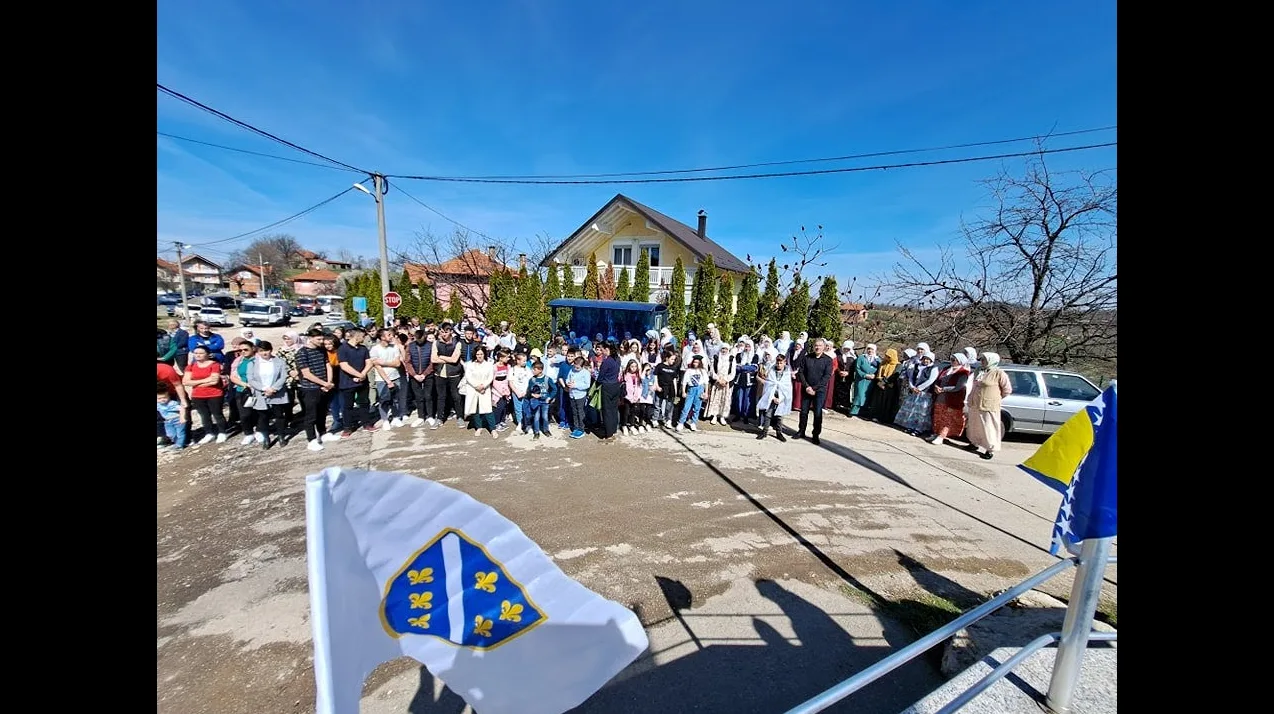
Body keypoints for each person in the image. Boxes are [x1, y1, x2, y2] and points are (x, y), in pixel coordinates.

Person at [964, 352, 1013, 460]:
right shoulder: (979, 371)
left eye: (984, 359)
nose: (982, 361)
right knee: (975, 425)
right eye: (982, 359)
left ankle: (990, 450)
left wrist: (995, 398)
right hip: (975, 403)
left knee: (989, 427)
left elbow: (1007, 390)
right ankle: (974, 443)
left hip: (989, 406)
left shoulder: (999, 373)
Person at [295, 328, 336, 452]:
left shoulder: (321, 350)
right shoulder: (302, 353)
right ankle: (311, 439)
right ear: (310, 338)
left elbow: (328, 365)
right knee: (311, 415)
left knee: (322, 412)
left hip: (324, 386)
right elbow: (306, 374)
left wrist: (329, 382)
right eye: (319, 339)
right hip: (310, 388)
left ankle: (323, 433)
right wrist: (323, 383)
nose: (321, 341)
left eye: (322, 339)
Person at [247, 340, 291, 449]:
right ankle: (266, 438)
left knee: (279, 415)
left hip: (277, 392)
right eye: (261, 351)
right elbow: (251, 379)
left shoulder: (279, 361)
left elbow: (283, 376)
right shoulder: (252, 363)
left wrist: (273, 388)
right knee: (263, 417)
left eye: (266, 350)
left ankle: (281, 436)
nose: (264, 353)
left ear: (271, 350)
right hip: (261, 393)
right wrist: (264, 388)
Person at [336, 327, 379, 438]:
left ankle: (366, 423)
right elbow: (344, 365)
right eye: (363, 336)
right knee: (348, 406)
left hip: (362, 381)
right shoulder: (343, 348)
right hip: (347, 382)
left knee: (364, 403)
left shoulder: (363, 348)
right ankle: (347, 427)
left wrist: (363, 374)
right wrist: (358, 375)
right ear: (357, 336)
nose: (364, 338)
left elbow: (369, 362)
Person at [183, 345, 228, 445]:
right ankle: (209, 433)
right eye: (196, 353)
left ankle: (222, 432)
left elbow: (214, 381)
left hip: (214, 393)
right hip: (197, 395)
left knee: (217, 414)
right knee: (204, 415)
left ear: (207, 354)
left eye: (201, 353)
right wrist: (206, 380)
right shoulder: (191, 366)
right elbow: (185, 381)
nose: (198, 355)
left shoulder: (214, 365)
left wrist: (195, 383)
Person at [926, 353, 973, 445]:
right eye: (951, 359)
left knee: (947, 419)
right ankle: (936, 433)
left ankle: (941, 436)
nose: (952, 361)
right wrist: (936, 387)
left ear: (960, 361)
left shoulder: (963, 372)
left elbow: (959, 387)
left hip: (952, 399)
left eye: (954, 360)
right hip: (940, 397)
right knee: (938, 416)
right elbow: (938, 380)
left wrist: (944, 389)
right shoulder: (946, 369)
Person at [796, 338, 835, 445]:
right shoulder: (807, 358)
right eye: (816, 345)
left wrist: (814, 388)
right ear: (813, 346)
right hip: (806, 389)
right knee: (803, 412)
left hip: (819, 391)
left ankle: (815, 435)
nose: (817, 347)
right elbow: (801, 373)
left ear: (824, 347)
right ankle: (801, 431)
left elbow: (827, 376)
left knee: (817, 413)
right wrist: (807, 387)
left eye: (820, 345)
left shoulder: (828, 360)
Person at [463, 345, 498, 438]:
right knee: (475, 408)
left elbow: (490, 377)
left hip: (484, 389)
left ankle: (493, 429)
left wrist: (483, 386)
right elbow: (468, 377)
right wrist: (476, 386)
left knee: (488, 409)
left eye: (481, 354)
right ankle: (479, 427)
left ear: (484, 354)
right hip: (473, 389)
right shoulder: (470, 364)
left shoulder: (488, 365)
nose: (479, 356)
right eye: (478, 354)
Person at [755, 353, 793, 441]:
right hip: (772, 395)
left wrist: (780, 398)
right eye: (777, 363)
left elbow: (787, 388)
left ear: (784, 363)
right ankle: (764, 431)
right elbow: (768, 385)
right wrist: (772, 397)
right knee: (768, 414)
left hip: (781, 396)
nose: (779, 365)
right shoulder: (772, 371)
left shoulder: (787, 373)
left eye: (781, 363)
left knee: (780, 415)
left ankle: (779, 432)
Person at [598, 341, 623, 441]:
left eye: (602, 349)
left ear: (606, 349)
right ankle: (613, 430)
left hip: (607, 387)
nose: (601, 351)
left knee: (607, 411)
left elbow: (600, 377)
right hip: (616, 385)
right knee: (613, 409)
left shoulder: (606, 362)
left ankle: (608, 434)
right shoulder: (617, 359)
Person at [676, 354, 708, 432]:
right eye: (694, 362)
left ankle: (693, 423)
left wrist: (706, 392)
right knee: (686, 407)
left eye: (697, 362)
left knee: (697, 408)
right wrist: (683, 391)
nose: (695, 364)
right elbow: (684, 382)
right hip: (691, 389)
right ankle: (681, 422)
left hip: (699, 389)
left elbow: (706, 382)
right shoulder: (689, 371)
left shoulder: (703, 371)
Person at [652, 348, 680, 428]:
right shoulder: (660, 366)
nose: (673, 361)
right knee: (657, 405)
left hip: (670, 389)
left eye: (674, 359)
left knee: (670, 406)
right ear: (667, 358)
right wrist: (656, 386)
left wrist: (675, 391)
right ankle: (655, 419)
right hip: (661, 387)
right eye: (672, 359)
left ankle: (668, 420)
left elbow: (674, 379)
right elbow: (655, 376)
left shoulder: (674, 368)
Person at [849, 344, 879, 417]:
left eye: (872, 349)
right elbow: (857, 368)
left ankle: (862, 411)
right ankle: (853, 411)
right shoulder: (861, 358)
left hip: (871, 381)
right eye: (868, 349)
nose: (870, 351)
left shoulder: (877, 360)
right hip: (861, 380)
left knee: (867, 396)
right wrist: (865, 375)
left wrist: (875, 376)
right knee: (859, 395)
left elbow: (879, 369)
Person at [566, 356, 592, 439]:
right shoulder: (572, 370)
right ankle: (576, 427)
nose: (576, 368)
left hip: (580, 395)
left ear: (582, 366)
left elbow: (587, 385)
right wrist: (568, 383)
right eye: (575, 366)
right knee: (574, 412)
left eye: (578, 367)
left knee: (580, 412)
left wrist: (576, 385)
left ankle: (581, 429)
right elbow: (567, 378)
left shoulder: (586, 373)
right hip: (572, 394)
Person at [524, 360, 551, 439]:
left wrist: (549, 397)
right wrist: (532, 395)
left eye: (534, 369)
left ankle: (546, 430)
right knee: (536, 417)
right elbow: (528, 391)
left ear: (540, 370)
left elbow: (554, 389)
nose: (532, 371)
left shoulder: (547, 379)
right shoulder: (532, 380)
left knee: (545, 417)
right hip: (535, 402)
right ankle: (536, 432)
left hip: (545, 402)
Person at [156, 383, 187, 451]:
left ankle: (179, 445)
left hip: (177, 420)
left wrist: (182, 417)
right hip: (167, 421)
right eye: (159, 398)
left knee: (180, 433)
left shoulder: (172, 403)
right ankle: (177, 443)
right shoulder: (158, 405)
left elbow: (182, 408)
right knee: (171, 434)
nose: (162, 400)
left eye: (164, 397)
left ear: (169, 397)